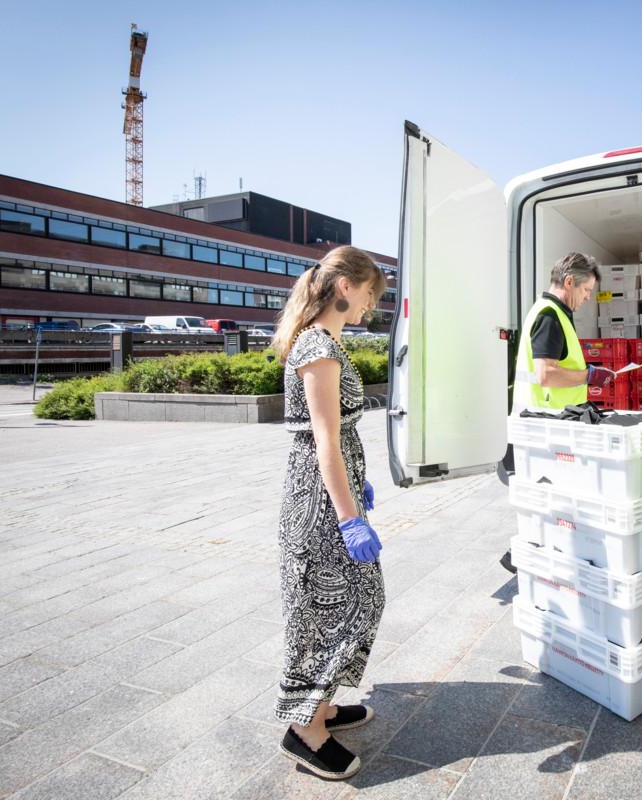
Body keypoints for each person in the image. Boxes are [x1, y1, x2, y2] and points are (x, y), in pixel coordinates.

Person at [271, 246, 388, 781]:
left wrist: (356, 485)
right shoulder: (319, 346)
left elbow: (334, 436)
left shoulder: (326, 341)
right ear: (345, 287)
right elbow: (325, 442)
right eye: (369, 295)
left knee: (350, 601)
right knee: (335, 609)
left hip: (328, 495)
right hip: (320, 506)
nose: (371, 306)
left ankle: (319, 705)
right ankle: (304, 729)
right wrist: (349, 517)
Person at [499, 252, 615, 573]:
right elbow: (545, 374)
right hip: (544, 423)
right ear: (569, 282)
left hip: (552, 422)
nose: (588, 298)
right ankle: (525, 553)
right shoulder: (550, 316)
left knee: (551, 498)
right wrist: (589, 375)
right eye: (586, 291)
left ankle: (530, 553)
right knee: (550, 496)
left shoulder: (554, 313)